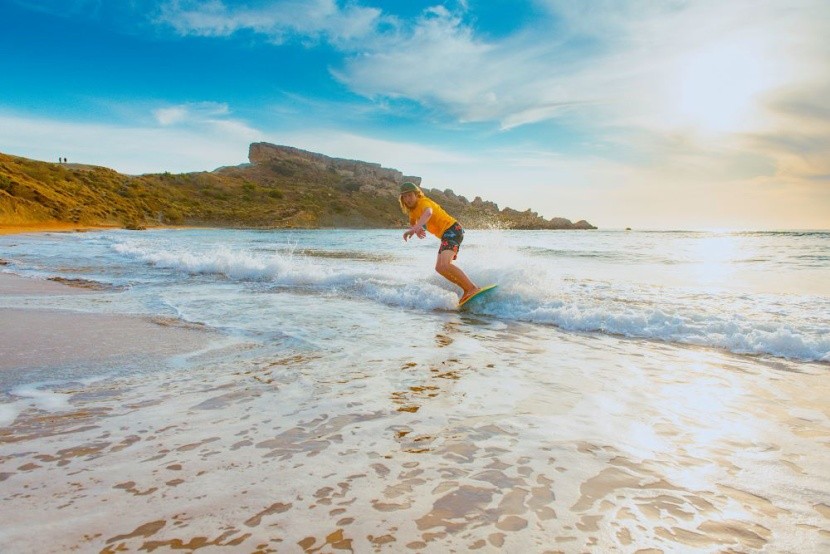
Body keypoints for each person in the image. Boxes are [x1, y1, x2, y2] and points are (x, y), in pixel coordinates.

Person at [399, 181, 481, 303]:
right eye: (405, 197)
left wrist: (415, 229)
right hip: (446, 235)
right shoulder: (412, 210)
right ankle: (467, 289)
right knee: (439, 268)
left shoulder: (423, 202)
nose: (408, 199)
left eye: (410, 195)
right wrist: (417, 229)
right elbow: (412, 221)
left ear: (417, 194)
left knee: (445, 264)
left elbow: (428, 213)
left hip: (453, 229)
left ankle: (472, 288)